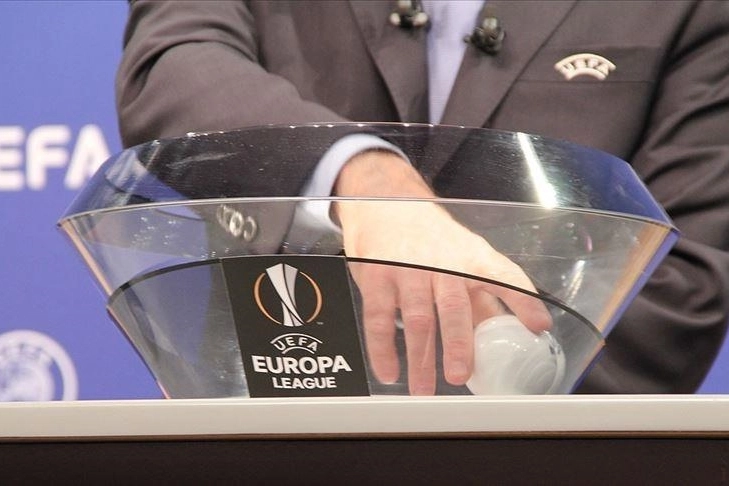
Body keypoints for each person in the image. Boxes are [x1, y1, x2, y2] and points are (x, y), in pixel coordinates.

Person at [115, 0, 729, 394]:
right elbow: (173, 63)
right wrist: (365, 178)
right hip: (277, 429)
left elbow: (685, 275)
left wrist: (498, 381)